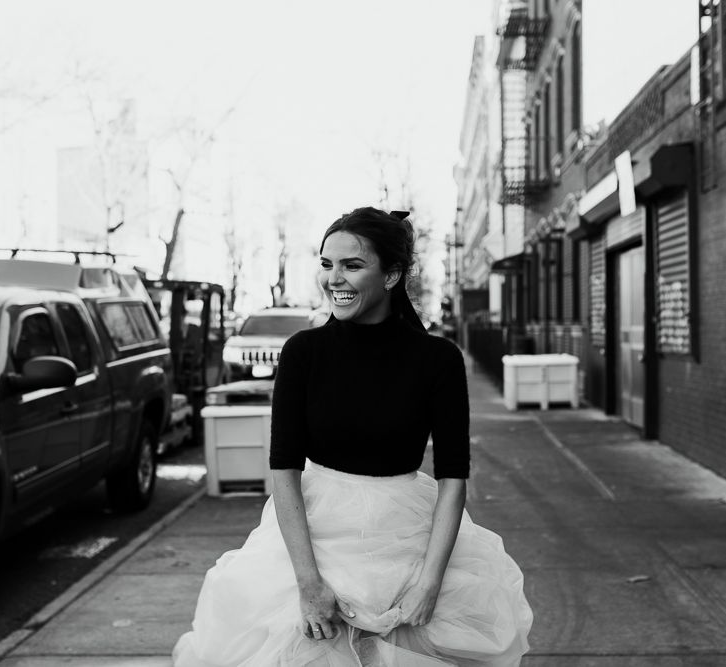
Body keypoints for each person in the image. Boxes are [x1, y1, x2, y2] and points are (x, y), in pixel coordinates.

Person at [173, 206, 533, 666]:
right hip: (313, 538)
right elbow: (283, 470)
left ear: (391, 276)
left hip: (410, 534)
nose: (334, 278)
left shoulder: (437, 360)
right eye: (326, 264)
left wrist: (429, 581)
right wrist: (308, 585)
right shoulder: (303, 353)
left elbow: (453, 479)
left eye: (352, 265)